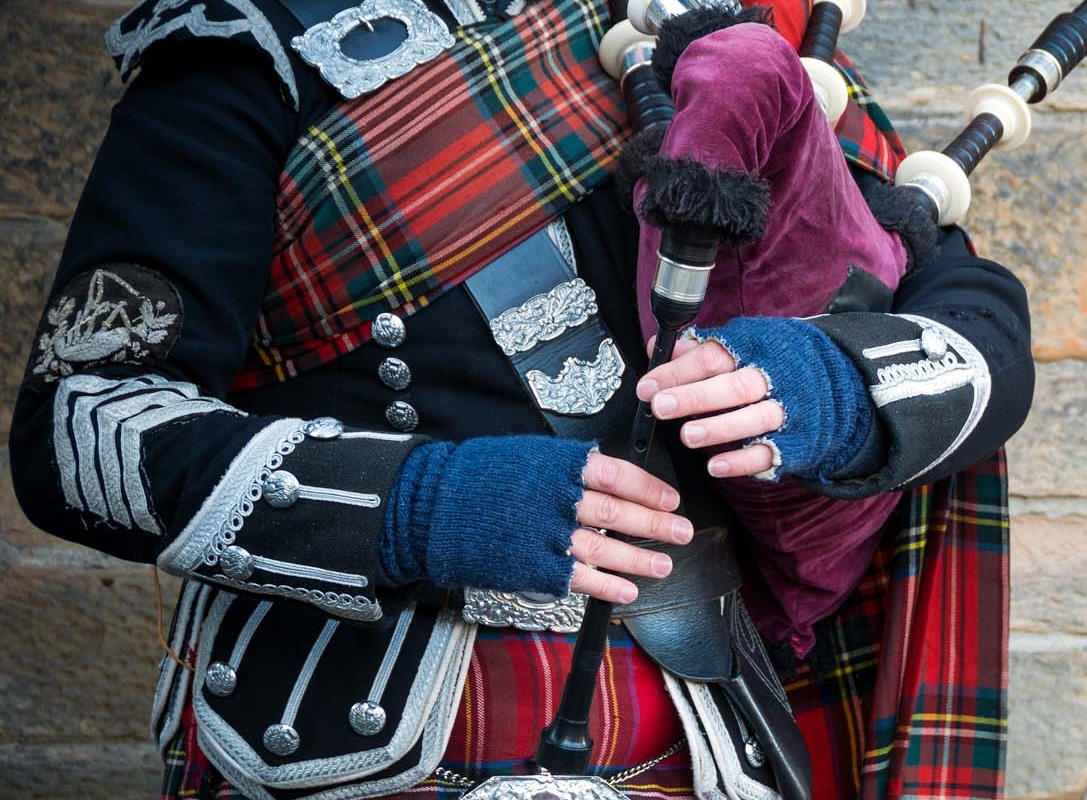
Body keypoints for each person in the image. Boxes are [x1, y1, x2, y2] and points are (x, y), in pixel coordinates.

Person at [9, 0, 1027, 797]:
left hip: (705, 737)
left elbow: (960, 301)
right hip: (351, 740)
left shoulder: (719, 28)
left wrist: (838, 385)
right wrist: (421, 503)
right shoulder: (245, 49)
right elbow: (81, 424)